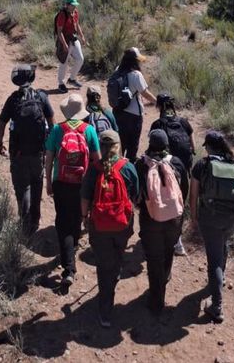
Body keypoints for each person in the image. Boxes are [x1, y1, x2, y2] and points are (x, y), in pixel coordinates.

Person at [189, 130, 234, 323]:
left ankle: (217, 306)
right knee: (222, 243)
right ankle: (222, 278)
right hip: (232, 218)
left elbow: (193, 195)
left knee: (214, 261)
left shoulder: (202, 165)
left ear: (209, 147)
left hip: (210, 218)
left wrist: (193, 217)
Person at [80, 129, 138, 328]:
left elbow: (85, 197)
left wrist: (84, 218)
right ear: (117, 146)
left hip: (99, 224)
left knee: (103, 265)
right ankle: (115, 273)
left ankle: (105, 311)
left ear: (101, 148)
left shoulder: (94, 169)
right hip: (122, 223)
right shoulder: (128, 167)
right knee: (118, 253)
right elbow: (136, 196)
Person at [45, 93, 101, 288]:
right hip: (82, 183)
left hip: (60, 181)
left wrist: (49, 182)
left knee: (62, 222)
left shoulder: (57, 130)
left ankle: (69, 268)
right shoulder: (90, 130)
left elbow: (50, 158)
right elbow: (97, 159)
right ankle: (72, 251)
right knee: (76, 219)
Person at [0, 65, 55, 237]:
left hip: (18, 154)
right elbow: (52, 123)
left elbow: (1, 125)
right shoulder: (41, 97)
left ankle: (24, 222)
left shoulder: (13, 99)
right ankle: (35, 220)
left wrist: (0, 144)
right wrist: (48, 146)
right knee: (37, 183)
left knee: (22, 187)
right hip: (38, 152)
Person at [136, 129, 188, 315]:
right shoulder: (176, 163)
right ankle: (163, 280)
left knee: (153, 257)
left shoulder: (141, 164)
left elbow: (137, 193)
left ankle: (156, 300)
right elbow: (185, 191)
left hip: (150, 218)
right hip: (174, 218)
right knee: (168, 251)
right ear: (166, 144)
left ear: (150, 143)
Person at [149, 93, 195, 255]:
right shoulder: (183, 121)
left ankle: (173, 239)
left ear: (159, 106)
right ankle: (177, 239)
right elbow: (192, 144)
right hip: (184, 164)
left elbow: (153, 147)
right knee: (180, 201)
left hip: (168, 165)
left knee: (167, 199)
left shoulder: (158, 124)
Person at [108, 47, 156, 162]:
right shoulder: (136, 74)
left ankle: (117, 167)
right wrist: (157, 101)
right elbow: (145, 93)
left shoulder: (118, 70)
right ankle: (129, 169)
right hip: (134, 116)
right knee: (132, 147)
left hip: (118, 112)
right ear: (134, 61)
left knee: (120, 144)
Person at [54, 0, 86, 93]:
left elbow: (77, 24)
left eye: (75, 5)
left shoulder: (75, 12)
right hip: (65, 40)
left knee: (80, 59)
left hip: (73, 38)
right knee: (64, 62)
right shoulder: (62, 15)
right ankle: (61, 83)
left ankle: (72, 79)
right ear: (67, 5)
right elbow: (60, 32)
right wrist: (64, 44)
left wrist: (82, 36)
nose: (74, 7)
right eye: (73, 5)